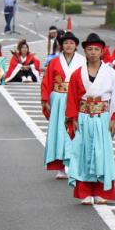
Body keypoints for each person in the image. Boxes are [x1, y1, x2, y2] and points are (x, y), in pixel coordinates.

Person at [65, 33, 115, 205]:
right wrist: (73, 118)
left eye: (96, 49)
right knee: (82, 154)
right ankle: (84, 191)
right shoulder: (77, 74)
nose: (93, 52)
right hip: (83, 118)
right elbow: (72, 98)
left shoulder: (110, 73)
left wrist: (114, 117)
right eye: (89, 49)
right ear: (84, 51)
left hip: (102, 118)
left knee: (101, 154)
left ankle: (101, 191)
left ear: (102, 51)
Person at [41, 31, 85, 179]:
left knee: (75, 130)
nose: (68, 45)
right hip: (58, 99)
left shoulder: (82, 61)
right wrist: (45, 100)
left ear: (76, 45)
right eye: (66, 43)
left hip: (75, 99)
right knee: (59, 131)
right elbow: (46, 81)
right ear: (62, 45)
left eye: (71, 43)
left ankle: (74, 164)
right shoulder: (54, 61)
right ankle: (60, 166)